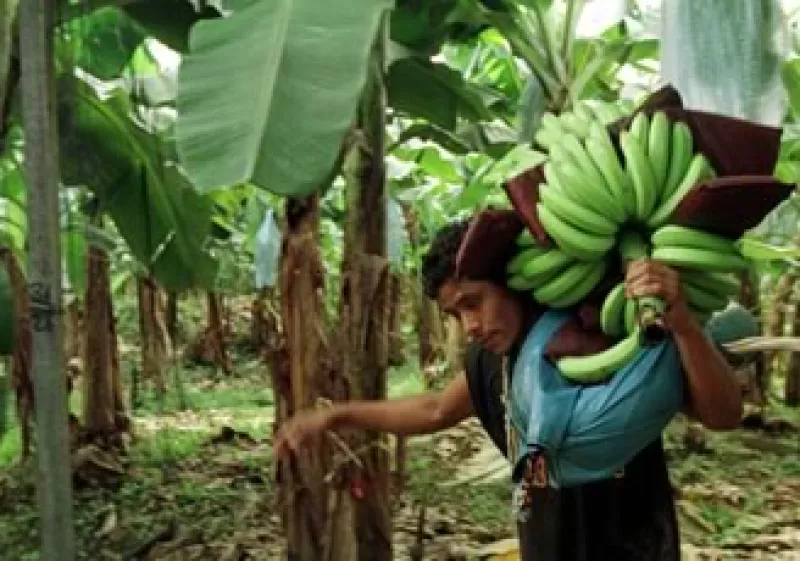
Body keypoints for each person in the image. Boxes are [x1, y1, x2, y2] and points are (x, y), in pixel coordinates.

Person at [274, 219, 744, 561]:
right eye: (456, 315)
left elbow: (724, 415)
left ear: (514, 284)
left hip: (633, 547)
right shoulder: (490, 361)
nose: (470, 325)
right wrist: (336, 417)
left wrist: (680, 325)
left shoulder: (604, 336)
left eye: (474, 303)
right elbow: (436, 409)